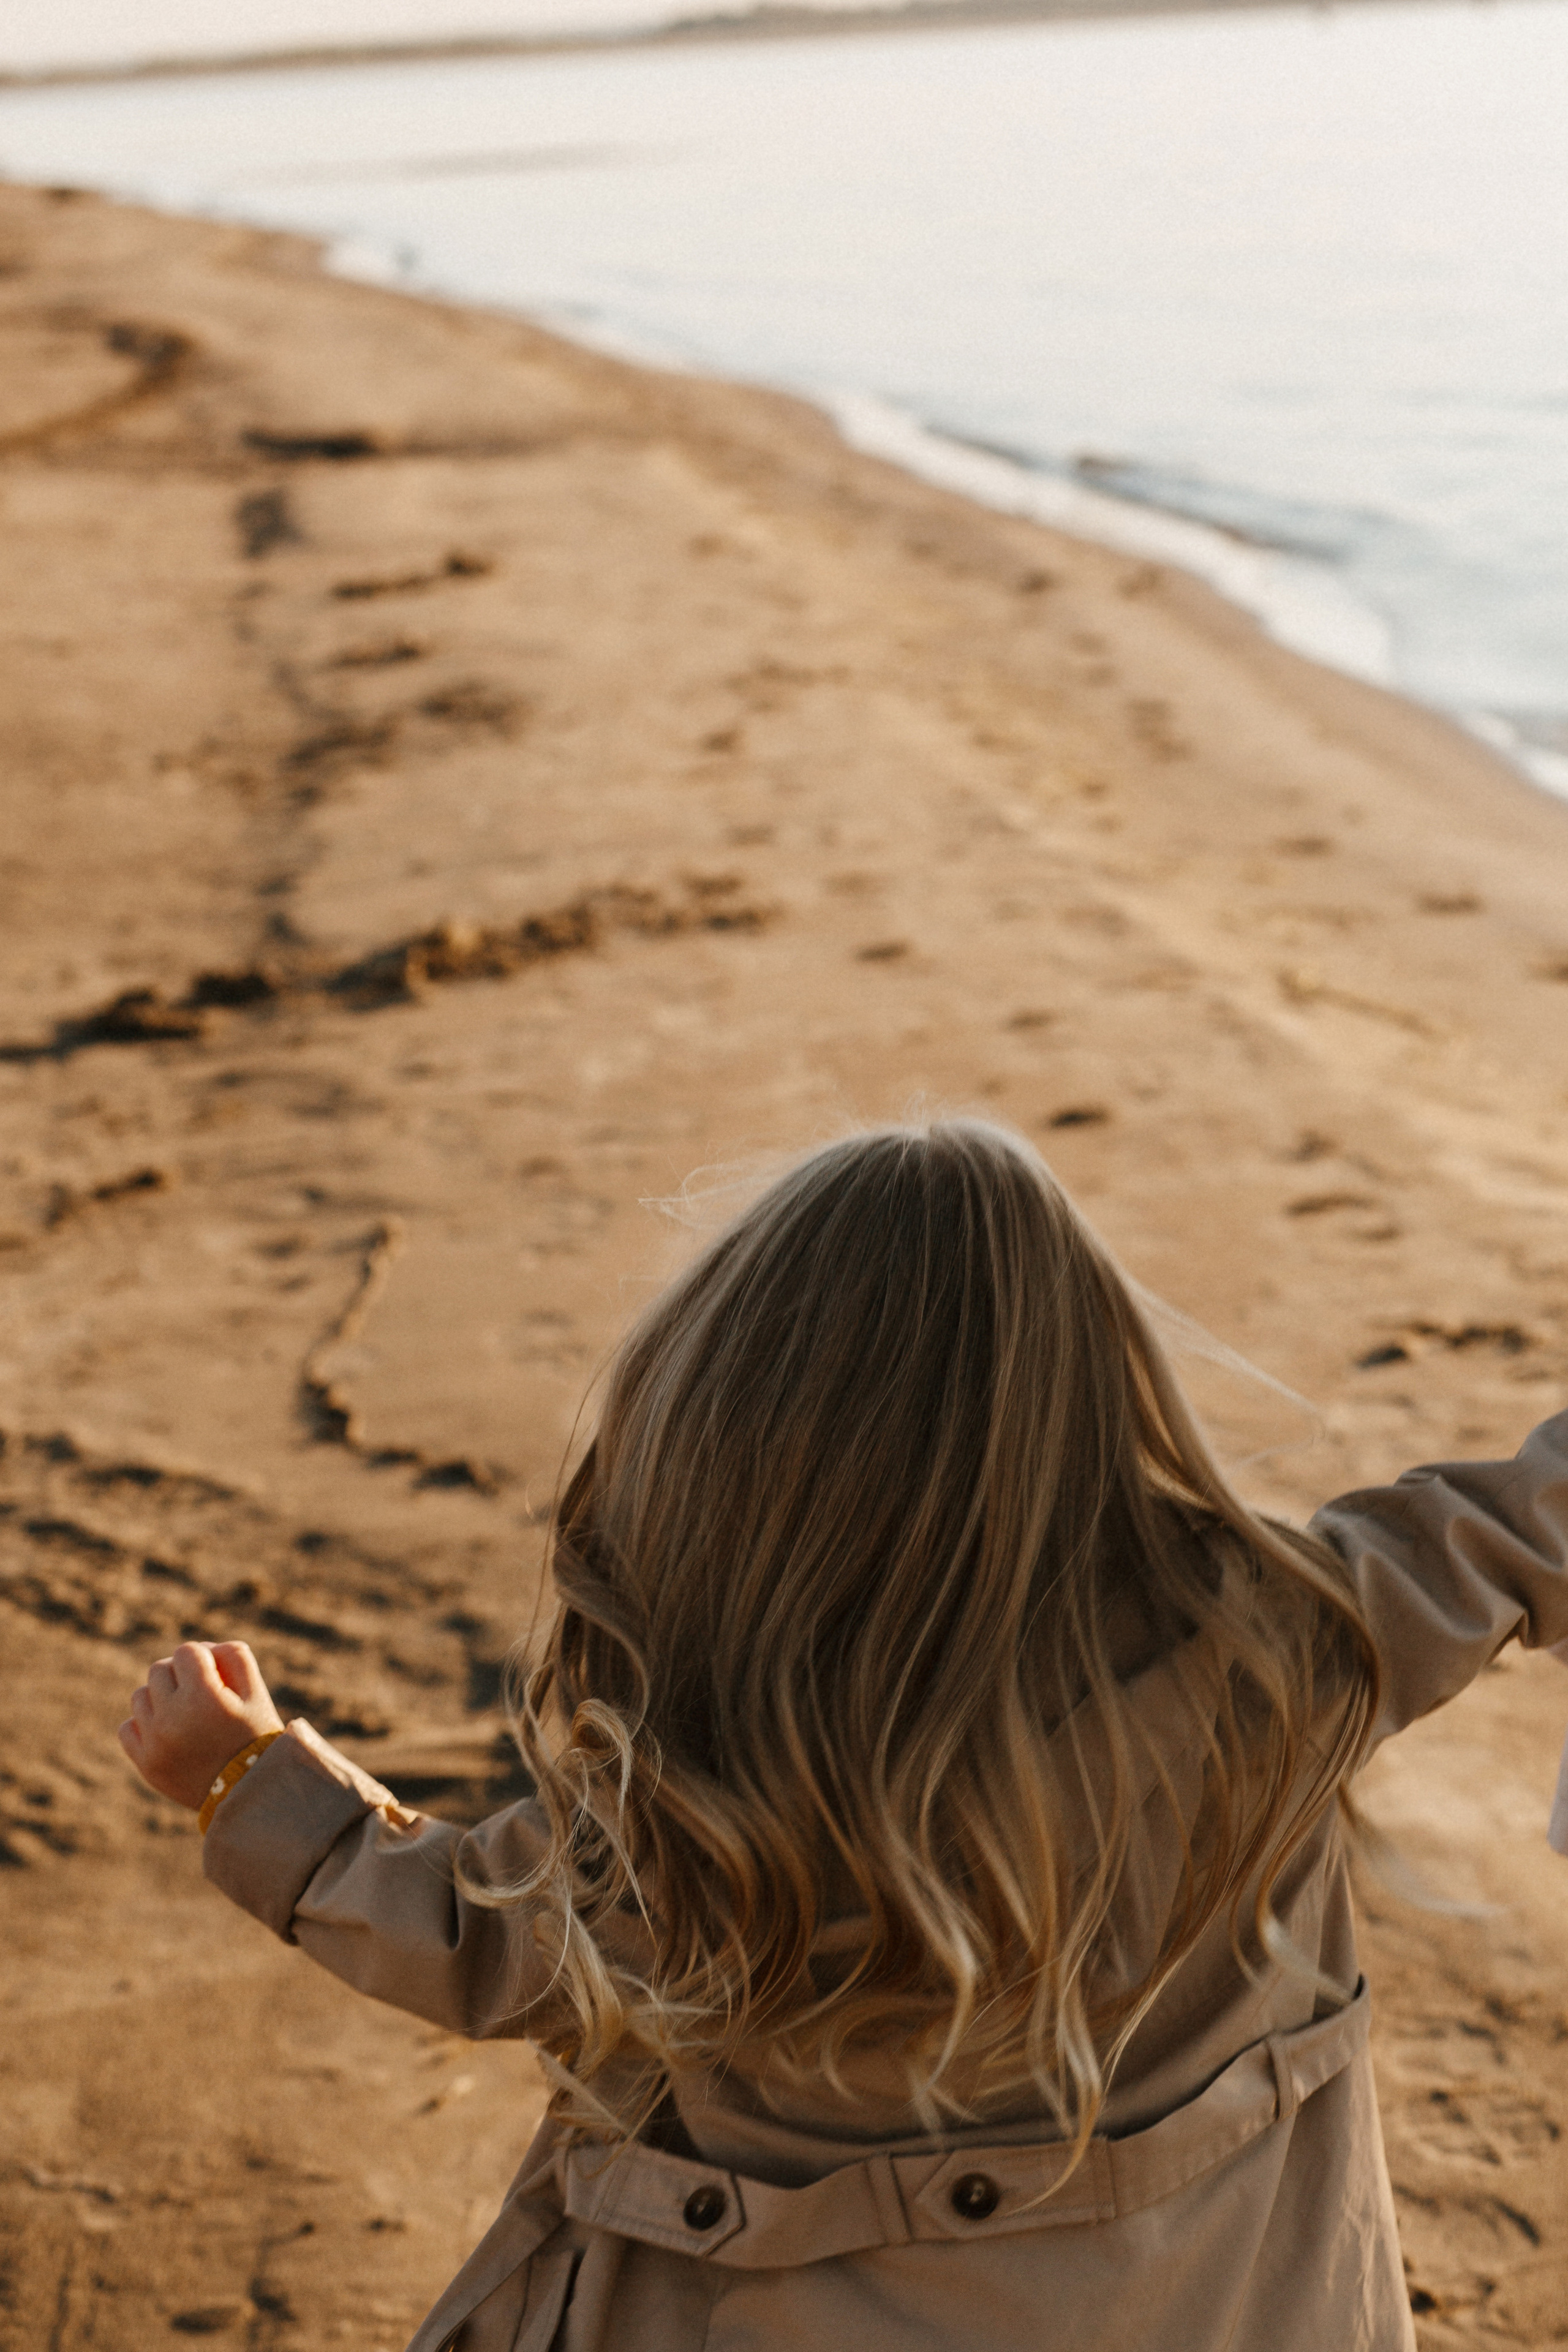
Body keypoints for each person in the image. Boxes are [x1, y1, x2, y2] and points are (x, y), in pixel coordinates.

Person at [119, 1120, 1568, 2352]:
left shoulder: (705, 1812)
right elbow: (1507, 1534)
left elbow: (469, 1933)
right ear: (1088, 1407)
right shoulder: (1280, 1654)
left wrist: (259, 1787)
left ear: (721, 1468)